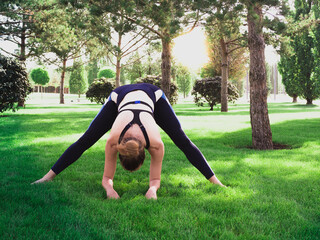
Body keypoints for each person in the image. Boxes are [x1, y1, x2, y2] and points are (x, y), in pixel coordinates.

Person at [33, 83, 225, 199]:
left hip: (154, 97)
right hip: (119, 97)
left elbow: (154, 180)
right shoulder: (114, 142)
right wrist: (109, 189)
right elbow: (110, 179)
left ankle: (216, 182)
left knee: (182, 140)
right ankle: (47, 177)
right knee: (86, 139)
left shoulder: (155, 143)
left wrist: (153, 189)